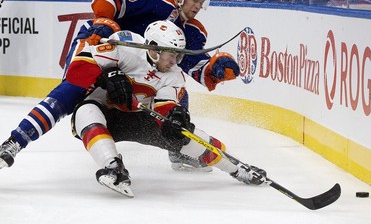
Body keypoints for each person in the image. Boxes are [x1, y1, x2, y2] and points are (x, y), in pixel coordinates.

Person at [0, 0, 240, 172]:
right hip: (101, 48)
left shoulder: (194, 31)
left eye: (202, 2)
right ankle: (14, 142)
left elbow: (192, 66)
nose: (198, 7)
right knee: (72, 91)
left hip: (136, 68)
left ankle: (177, 149)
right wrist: (105, 20)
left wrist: (215, 68)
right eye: (195, 0)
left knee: (178, 102)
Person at [70, 20, 266, 196]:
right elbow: (77, 70)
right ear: (154, 49)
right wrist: (108, 75)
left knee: (185, 134)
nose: (174, 61)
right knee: (85, 112)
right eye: (171, 55)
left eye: (178, 56)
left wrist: (175, 117)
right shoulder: (124, 47)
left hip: (139, 121)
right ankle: (113, 168)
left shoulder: (174, 75)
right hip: (105, 113)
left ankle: (237, 168)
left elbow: (165, 106)